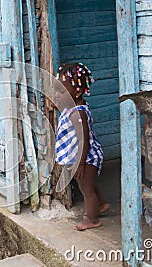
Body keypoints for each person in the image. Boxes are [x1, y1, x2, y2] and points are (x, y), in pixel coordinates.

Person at [54, 62, 110, 231]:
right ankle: (100, 204)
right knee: (89, 184)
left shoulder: (78, 113)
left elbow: (83, 140)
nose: (56, 95)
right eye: (56, 90)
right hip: (83, 155)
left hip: (86, 156)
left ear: (77, 91)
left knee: (86, 190)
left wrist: (80, 162)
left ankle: (92, 219)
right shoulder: (72, 109)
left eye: (61, 91)